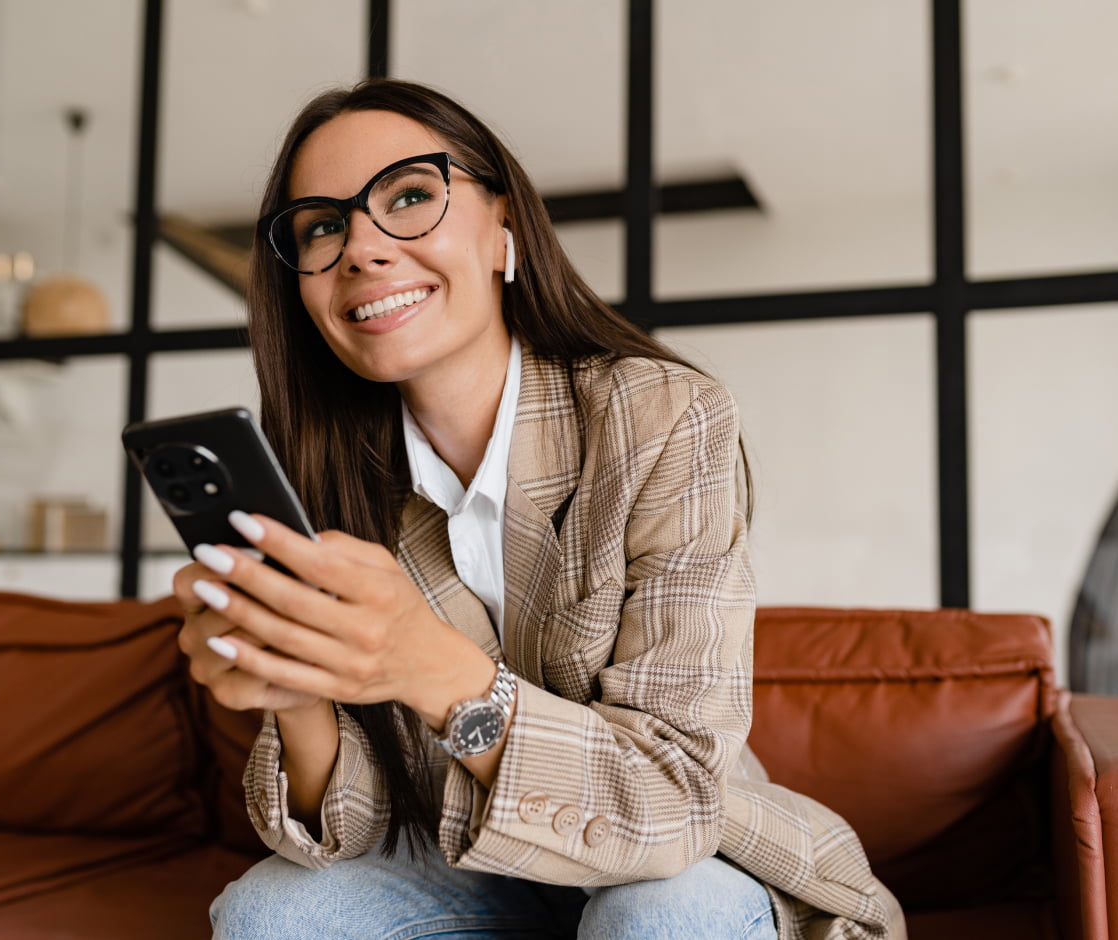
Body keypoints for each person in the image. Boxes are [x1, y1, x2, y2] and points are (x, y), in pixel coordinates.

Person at [173, 78, 905, 939]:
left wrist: (431, 670)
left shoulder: (663, 417)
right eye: (323, 225)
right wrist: (293, 696)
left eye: (409, 196)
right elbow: (355, 832)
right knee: (272, 915)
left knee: (662, 917)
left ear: (503, 227)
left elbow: (672, 798)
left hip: (670, 854)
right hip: (468, 864)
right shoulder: (324, 475)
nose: (362, 249)